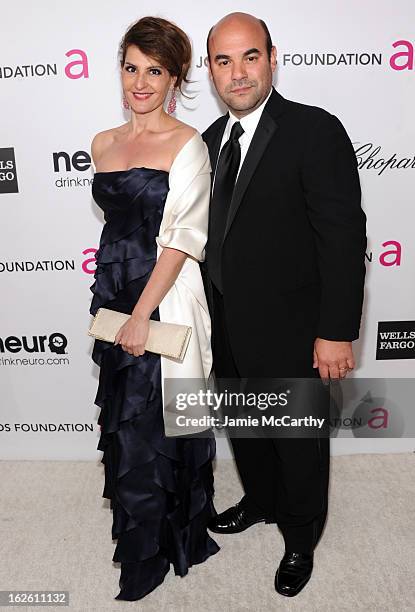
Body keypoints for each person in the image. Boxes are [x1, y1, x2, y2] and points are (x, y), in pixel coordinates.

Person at [201, 12, 367, 598]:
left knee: (297, 441)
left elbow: (344, 238)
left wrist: (336, 331)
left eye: (249, 57)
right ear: (211, 69)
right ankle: (261, 501)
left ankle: (301, 537)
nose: (238, 73)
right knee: (247, 428)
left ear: (273, 57)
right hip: (227, 323)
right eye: (224, 61)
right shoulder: (210, 141)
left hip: (295, 327)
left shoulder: (314, 130)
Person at [89, 16, 219, 602]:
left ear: (176, 78)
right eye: (132, 67)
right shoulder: (102, 144)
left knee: (157, 426)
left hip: (162, 300)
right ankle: (144, 534)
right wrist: (118, 301)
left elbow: (182, 239)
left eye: (156, 71)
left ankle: (154, 554)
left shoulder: (188, 144)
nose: (141, 83)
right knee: (126, 421)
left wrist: (142, 314)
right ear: (120, 68)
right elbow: (120, 229)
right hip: (115, 293)